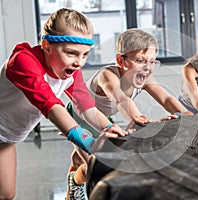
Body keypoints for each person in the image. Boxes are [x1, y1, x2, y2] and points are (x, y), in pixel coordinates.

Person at [0, 8, 127, 200]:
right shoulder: (24, 61)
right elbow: (50, 105)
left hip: (6, 137)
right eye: (71, 53)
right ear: (47, 46)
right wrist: (89, 143)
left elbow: (86, 106)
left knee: (6, 194)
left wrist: (110, 128)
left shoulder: (71, 71)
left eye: (84, 55)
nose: (79, 62)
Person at [66, 28, 193, 199]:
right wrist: (143, 123)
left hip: (103, 118)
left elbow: (165, 99)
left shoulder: (145, 76)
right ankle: (75, 180)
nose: (147, 68)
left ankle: (75, 167)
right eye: (140, 60)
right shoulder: (107, 75)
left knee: (80, 158)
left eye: (152, 62)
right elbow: (121, 100)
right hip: (80, 117)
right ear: (121, 60)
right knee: (95, 166)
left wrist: (187, 115)